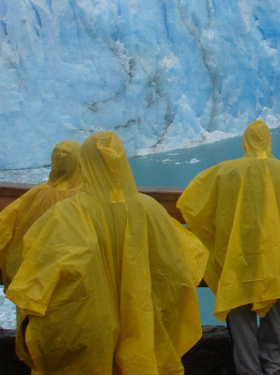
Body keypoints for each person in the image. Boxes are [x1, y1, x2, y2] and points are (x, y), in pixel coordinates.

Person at [5, 131, 208, 374]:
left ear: (86, 163)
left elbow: (36, 277)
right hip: (144, 329)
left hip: (88, 331)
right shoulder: (150, 210)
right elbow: (182, 262)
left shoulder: (65, 215)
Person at [177, 119, 280, 375]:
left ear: (244, 141)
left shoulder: (224, 172)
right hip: (274, 262)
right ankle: (275, 368)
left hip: (236, 262)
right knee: (274, 321)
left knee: (241, 322)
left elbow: (192, 206)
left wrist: (219, 230)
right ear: (269, 141)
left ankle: (248, 370)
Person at [0, 140, 83, 364]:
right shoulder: (88, 198)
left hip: (35, 293)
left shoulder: (34, 196)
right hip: (76, 297)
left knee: (41, 352)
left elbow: (4, 231)